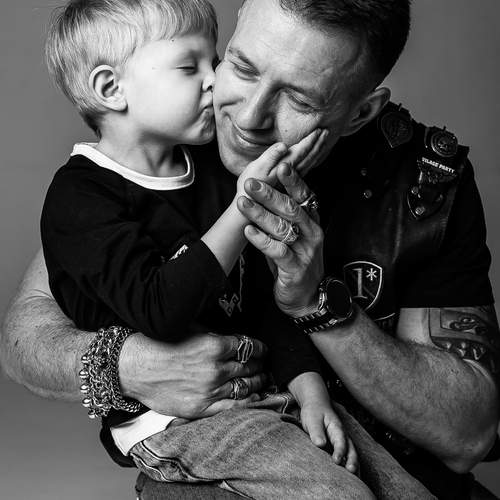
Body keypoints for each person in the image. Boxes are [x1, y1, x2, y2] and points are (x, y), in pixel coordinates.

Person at [1, 0, 498, 499]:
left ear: (360, 113)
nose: (248, 116)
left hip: (350, 439)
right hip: (215, 444)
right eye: (240, 66)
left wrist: (315, 306)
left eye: (298, 100)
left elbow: (468, 433)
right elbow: (26, 332)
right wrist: (129, 364)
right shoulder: (168, 142)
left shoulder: (424, 185)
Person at [39, 0, 382, 498]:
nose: (214, 80)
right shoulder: (79, 200)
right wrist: (247, 203)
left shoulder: (211, 173)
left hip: (268, 396)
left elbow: (261, 302)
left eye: (215, 60)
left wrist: (311, 393)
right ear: (112, 89)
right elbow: (159, 310)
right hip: (174, 424)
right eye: (189, 67)